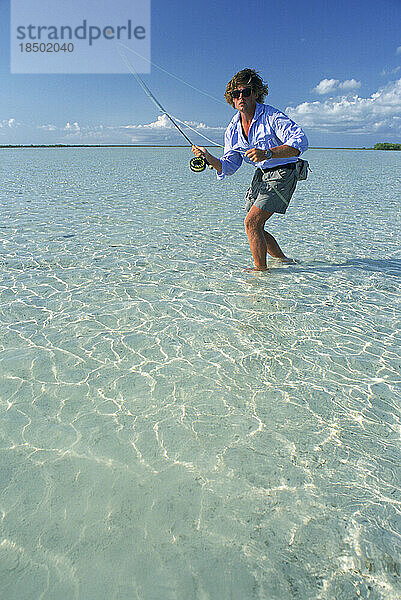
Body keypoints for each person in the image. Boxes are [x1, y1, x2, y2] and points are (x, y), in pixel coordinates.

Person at [192, 68, 308, 271]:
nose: (240, 97)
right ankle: (283, 260)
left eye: (245, 92)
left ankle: (260, 272)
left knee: (251, 223)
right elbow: (228, 166)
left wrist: (268, 153)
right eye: (235, 94)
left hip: (284, 171)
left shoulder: (272, 116)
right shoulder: (233, 128)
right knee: (255, 225)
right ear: (232, 99)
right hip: (261, 175)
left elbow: (300, 142)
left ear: (255, 93)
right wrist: (208, 156)